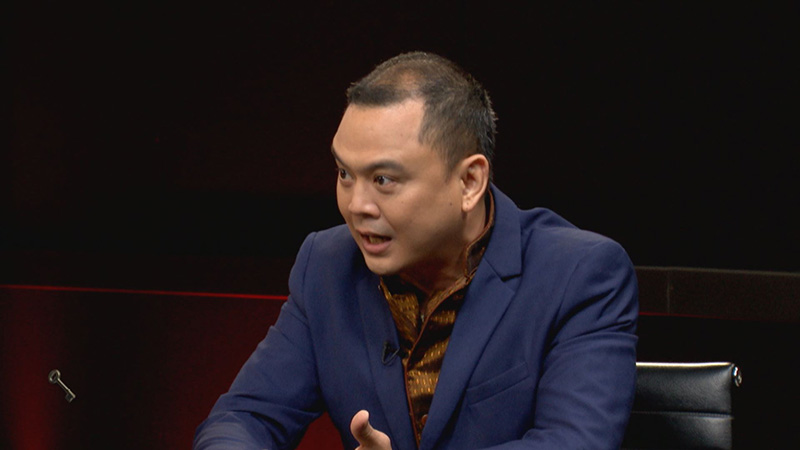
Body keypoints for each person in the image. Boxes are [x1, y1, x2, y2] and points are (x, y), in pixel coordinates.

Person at [194, 51, 638, 450]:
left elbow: (574, 442)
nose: (357, 205)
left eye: (383, 180)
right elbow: (242, 419)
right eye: (345, 174)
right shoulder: (326, 265)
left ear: (469, 182)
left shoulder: (579, 274)